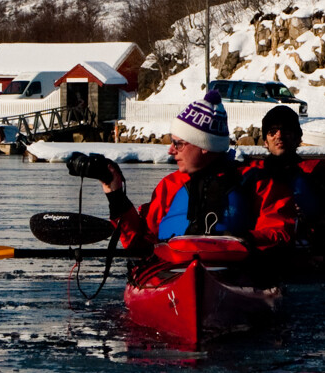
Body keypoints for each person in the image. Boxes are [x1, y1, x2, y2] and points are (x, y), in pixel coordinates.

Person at [95, 88, 291, 256]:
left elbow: (280, 234)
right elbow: (139, 243)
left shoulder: (258, 183)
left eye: (178, 144)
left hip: (233, 268)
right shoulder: (169, 186)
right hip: (173, 271)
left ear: (204, 146)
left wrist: (241, 239)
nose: (170, 151)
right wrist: (116, 195)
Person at [243, 103, 325, 271]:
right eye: (272, 132)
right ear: (266, 142)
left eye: (286, 130)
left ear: (298, 138)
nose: (279, 136)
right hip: (268, 254)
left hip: (310, 255)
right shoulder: (252, 174)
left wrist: (322, 218)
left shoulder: (318, 172)